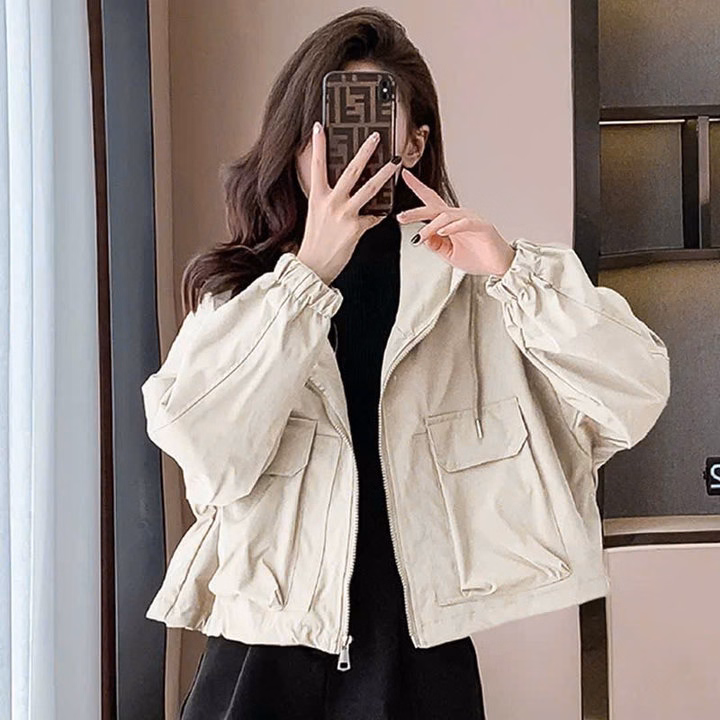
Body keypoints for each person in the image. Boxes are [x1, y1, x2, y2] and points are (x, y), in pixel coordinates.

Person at [142, 7, 670, 720]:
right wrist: (306, 277)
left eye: (369, 119)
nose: (342, 144)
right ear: (295, 145)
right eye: (323, 124)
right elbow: (207, 455)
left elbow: (635, 393)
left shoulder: (477, 289)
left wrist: (512, 273)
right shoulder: (244, 294)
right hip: (261, 655)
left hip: (418, 656)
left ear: (413, 143)